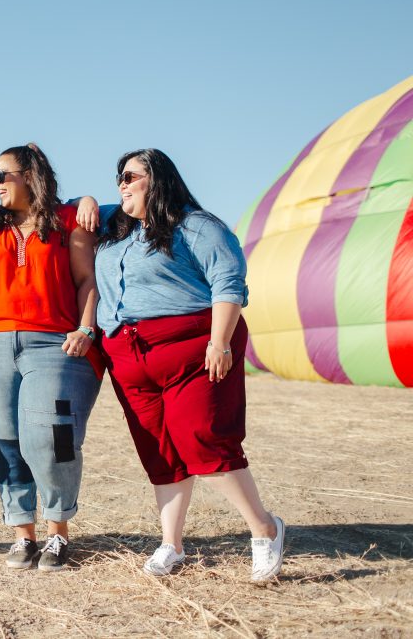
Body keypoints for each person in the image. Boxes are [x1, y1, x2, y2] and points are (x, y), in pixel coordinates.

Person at [93, 148, 284, 582]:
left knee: (203, 439)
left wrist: (219, 342)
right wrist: (86, 202)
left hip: (194, 347)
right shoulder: (116, 228)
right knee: (158, 451)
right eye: (117, 178)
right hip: (129, 354)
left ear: (157, 180)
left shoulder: (197, 226)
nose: (121, 185)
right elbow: (70, 211)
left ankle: (264, 529)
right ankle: (171, 544)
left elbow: (229, 281)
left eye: (130, 176)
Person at [0, 143, 104, 572]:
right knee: (4, 440)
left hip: (55, 343)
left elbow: (86, 280)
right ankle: (23, 534)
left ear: (30, 175)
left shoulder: (70, 220)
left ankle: (58, 533)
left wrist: (86, 327)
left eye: (2, 175)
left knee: (51, 437)